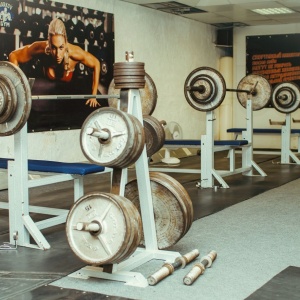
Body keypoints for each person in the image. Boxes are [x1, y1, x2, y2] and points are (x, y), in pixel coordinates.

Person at [9, 18, 101, 107]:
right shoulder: (41, 48)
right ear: (49, 43)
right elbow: (13, 55)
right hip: (46, 99)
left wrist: (94, 95)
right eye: (53, 48)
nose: (57, 54)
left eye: (61, 47)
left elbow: (96, 63)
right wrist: (16, 90)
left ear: (65, 41)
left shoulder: (74, 52)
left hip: (69, 96)